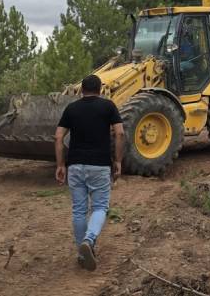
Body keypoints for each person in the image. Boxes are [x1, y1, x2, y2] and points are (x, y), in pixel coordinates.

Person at [55, 75, 125, 271]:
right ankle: (90, 239)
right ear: (100, 89)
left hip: (75, 165)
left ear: (81, 90)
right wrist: (118, 161)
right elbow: (120, 133)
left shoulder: (71, 109)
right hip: (100, 165)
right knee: (100, 207)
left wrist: (61, 164)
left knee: (79, 210)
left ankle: (81, 253)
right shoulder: (108, 107)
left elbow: (58, 136)